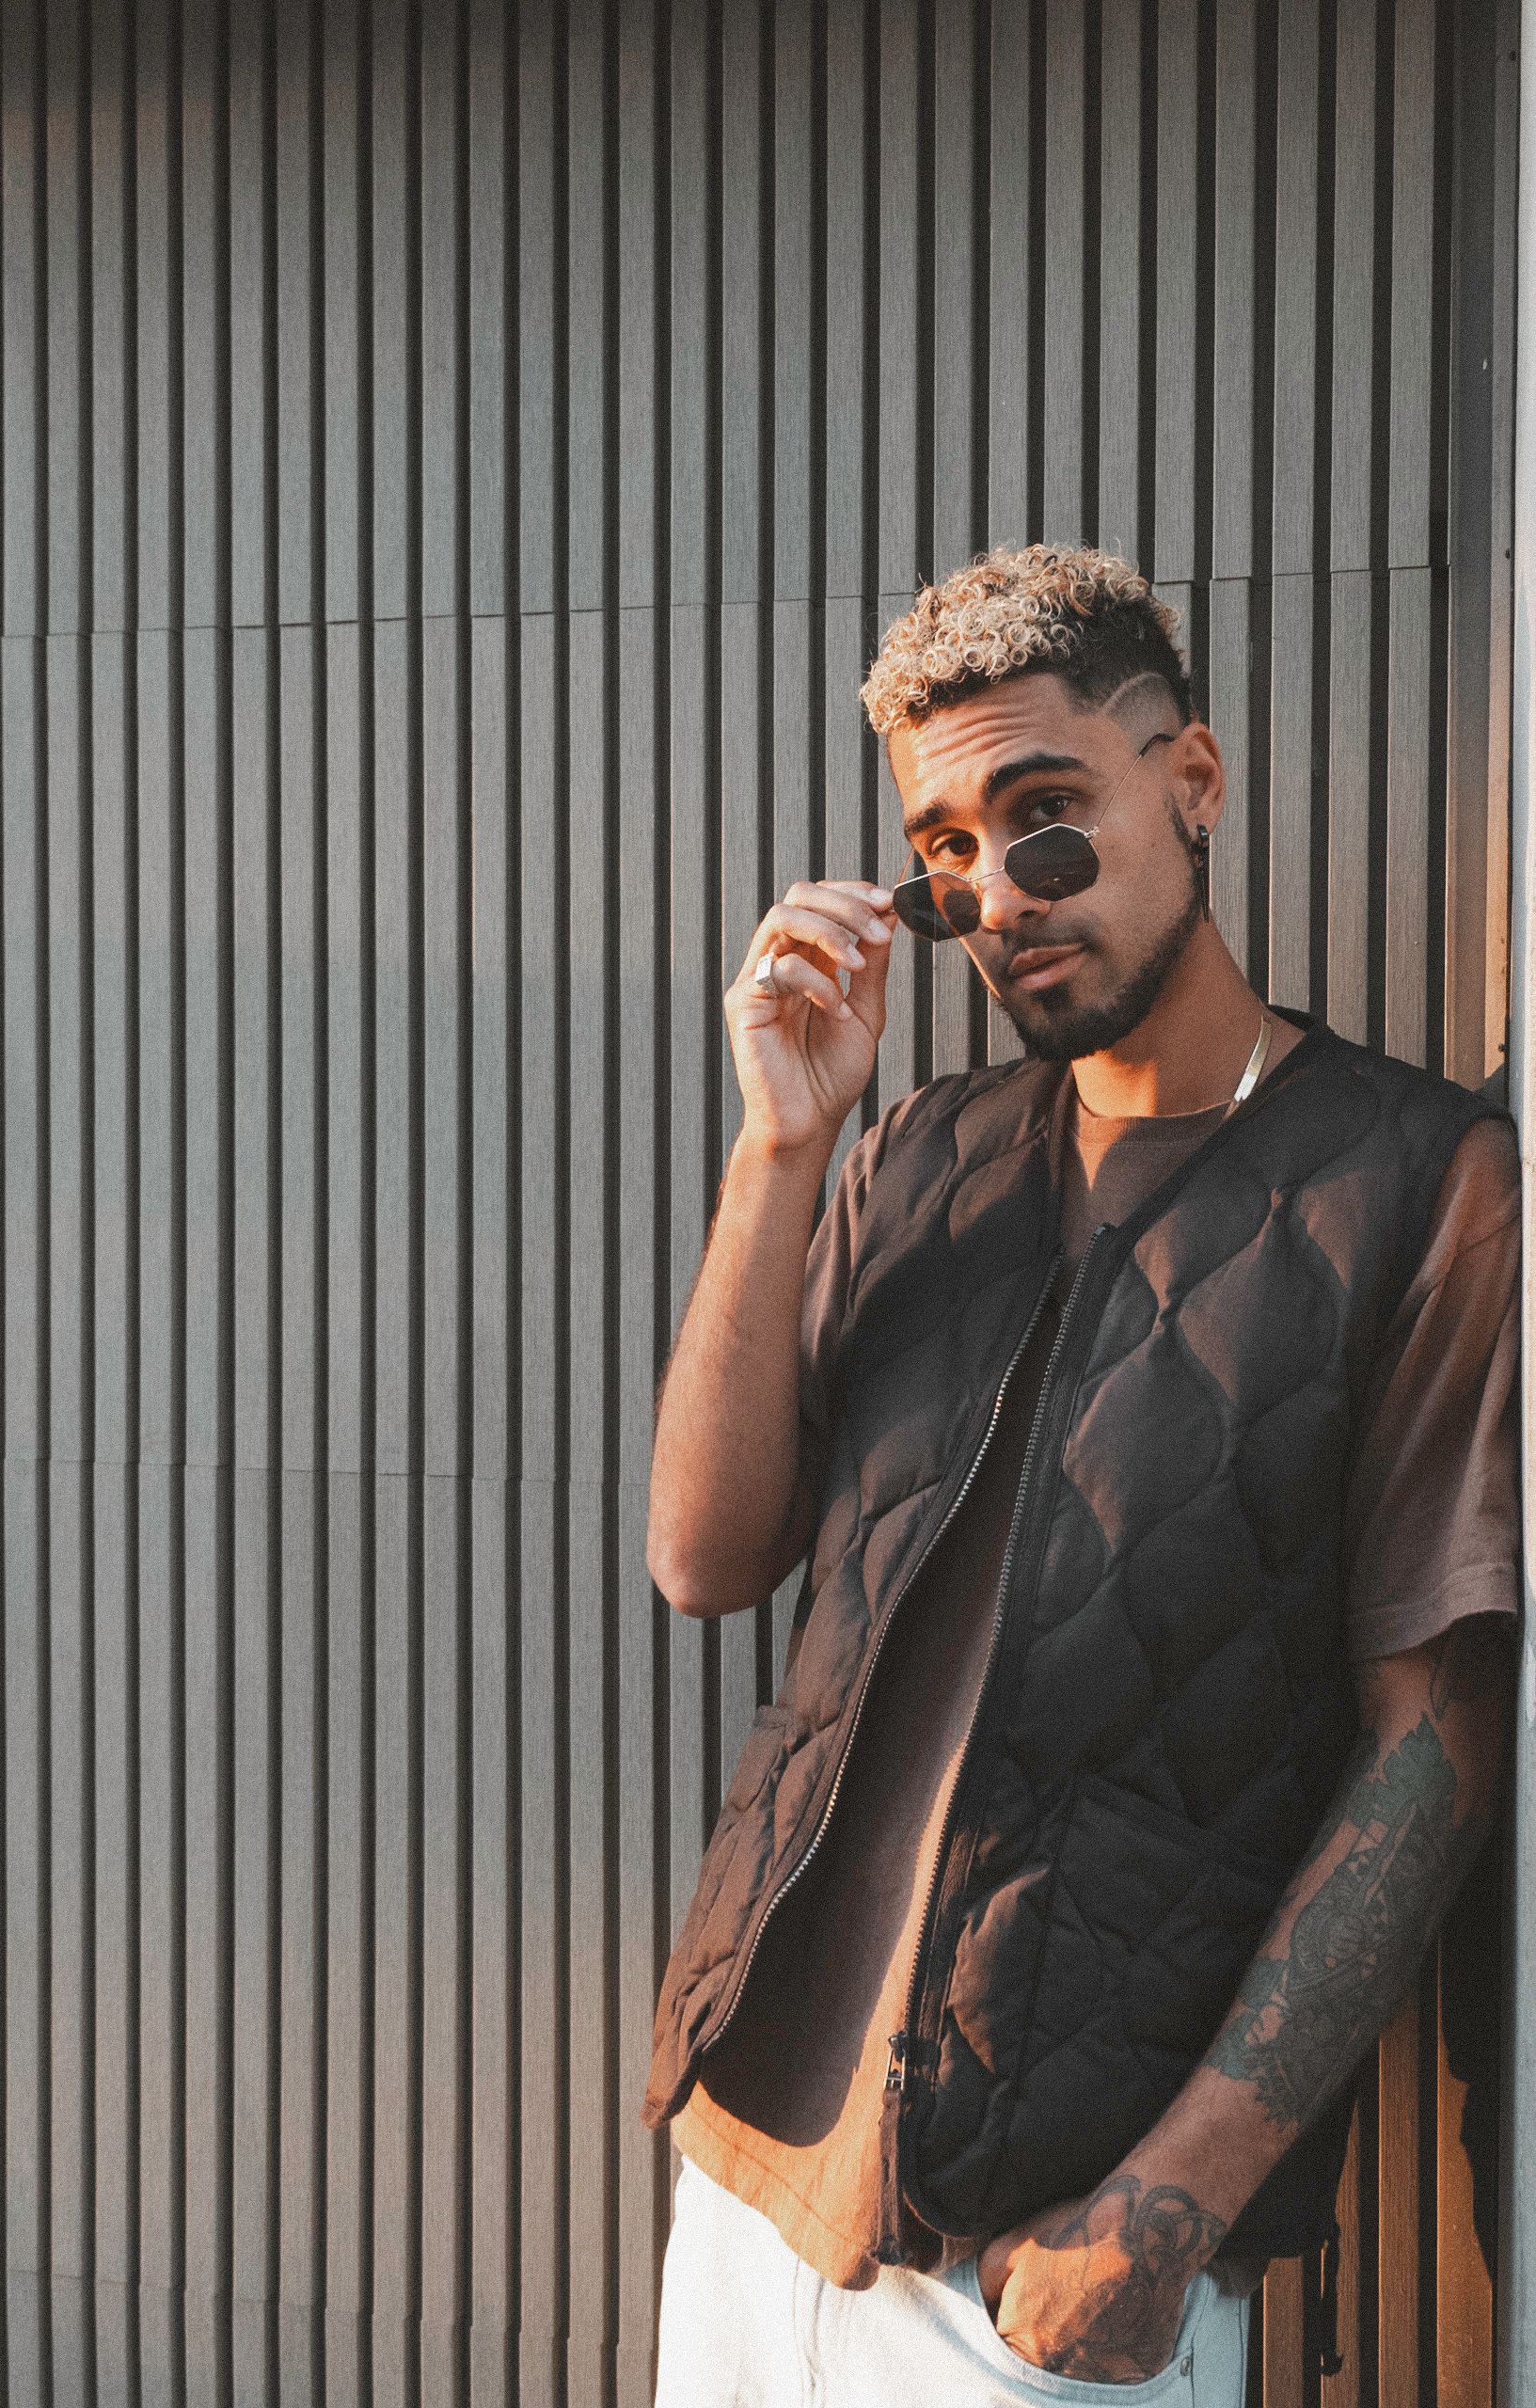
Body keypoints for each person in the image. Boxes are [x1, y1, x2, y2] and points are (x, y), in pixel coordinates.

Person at [641, 544, 1519, 2407]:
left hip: (1038, 2257)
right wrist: (777, 1146)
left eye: (1045, 823)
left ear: (1185, 786)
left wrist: (1166, 2205)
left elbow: (1427, 1741)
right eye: (944, 853)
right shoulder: (908, 1159)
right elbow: (701, 1554)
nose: (1000, 892)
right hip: (743, 2178)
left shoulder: (1415, 1186)